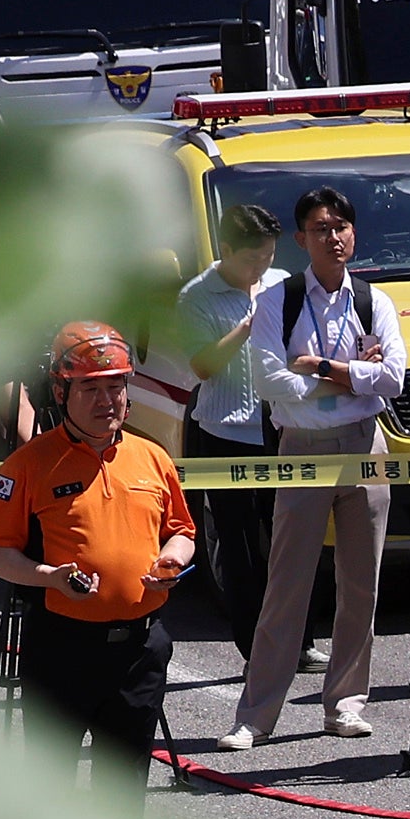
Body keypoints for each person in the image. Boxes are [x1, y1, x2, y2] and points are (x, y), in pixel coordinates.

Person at [217, 184, 403, 750]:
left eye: (341, 226)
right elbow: (270, 376)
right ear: (302, 240)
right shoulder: (281, 300)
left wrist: (322, 367)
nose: (334, 237)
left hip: (365, 444)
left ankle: (345, 702)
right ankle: (254, 716)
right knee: (287, 583)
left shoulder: (375, 300)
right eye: (321, 229)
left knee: (361, 582)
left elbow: (393, 378)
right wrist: (350, 373)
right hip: (302, 445)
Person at [0, 322, 195, 791]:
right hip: (62, 650)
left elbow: (181, 531)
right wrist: (50, 576)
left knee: (123, 788)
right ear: (61, 391)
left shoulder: (152, 457)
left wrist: (172, 561)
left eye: (115, 386)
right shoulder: (28, 464)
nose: (106, 401)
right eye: (90, 388)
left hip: (140, 650)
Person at [162, 201, 282, 634]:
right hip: (225, 432)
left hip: (278, 430)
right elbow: (201, 366)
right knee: (240, 545)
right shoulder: (196, 296)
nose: (261, 267)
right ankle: (252, 641)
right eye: (252, 259)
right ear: (226, 249)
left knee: (286, 541)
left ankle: (297, 638)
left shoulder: (280, 284)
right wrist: (247, 327)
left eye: (268, 256)